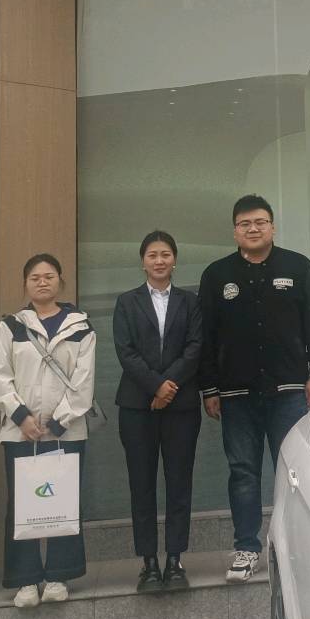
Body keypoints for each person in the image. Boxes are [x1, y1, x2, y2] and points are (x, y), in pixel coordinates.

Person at [199, 194, 310, 583]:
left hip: (289, 391)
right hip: (236, 395)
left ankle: (298, 547)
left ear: (272, 226)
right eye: (245, 224)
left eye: (260, 222)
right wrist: (209, 388)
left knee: (292, 471)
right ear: (235, 231)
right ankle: (246, 548)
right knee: (242, 471)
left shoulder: (298, 267)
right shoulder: (216, 275)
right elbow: (205, 336)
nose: (253, 229)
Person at [0, 252, 97, 608]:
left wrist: (59, 420)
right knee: (22, 504)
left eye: (49, 276)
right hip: (21, 432)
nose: (42, 282)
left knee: (64, 502)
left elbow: (84, 381)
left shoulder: (81, 327)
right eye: (35, 277)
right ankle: (26, 580)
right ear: (25, 284)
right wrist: (21, 416)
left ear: (61, 281)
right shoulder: (11, 326)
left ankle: (60, 576)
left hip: (67, 431)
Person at [112, 230, 202, 592]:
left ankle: (175, 559)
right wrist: (156, 386)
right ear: (143, 261)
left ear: (174, 260)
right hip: (137, 406)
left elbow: (195, 347)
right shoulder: (126, 302)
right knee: (142, 484)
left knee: (179, 483)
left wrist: (169, 386)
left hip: (181, 406)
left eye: (165, 254)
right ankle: (148, 562)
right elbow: (125, 351)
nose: (159, 260)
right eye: (152, 255)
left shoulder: (190, 302)